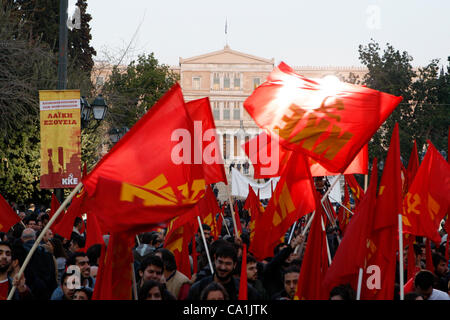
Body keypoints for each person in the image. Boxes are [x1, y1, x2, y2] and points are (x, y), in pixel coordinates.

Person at [187, 243, 260, 300]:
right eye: (220, 262)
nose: (223, 267)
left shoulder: (246, 291)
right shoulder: (198, 288)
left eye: (228, 264)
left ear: (234, 265)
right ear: (215, 260)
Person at [262, 233, 304, 298]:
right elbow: (275, 262)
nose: (291, 286)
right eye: (288, 282)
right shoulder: (271, 271)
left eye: (295, 282)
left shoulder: (297, 268)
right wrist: (291, 246)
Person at [21, 228, 57, 300]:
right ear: (35, 238)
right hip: (45, 292)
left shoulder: (18, 253)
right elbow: (53, 274)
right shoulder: (46, 252)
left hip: (26, 292)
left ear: (22, 239)